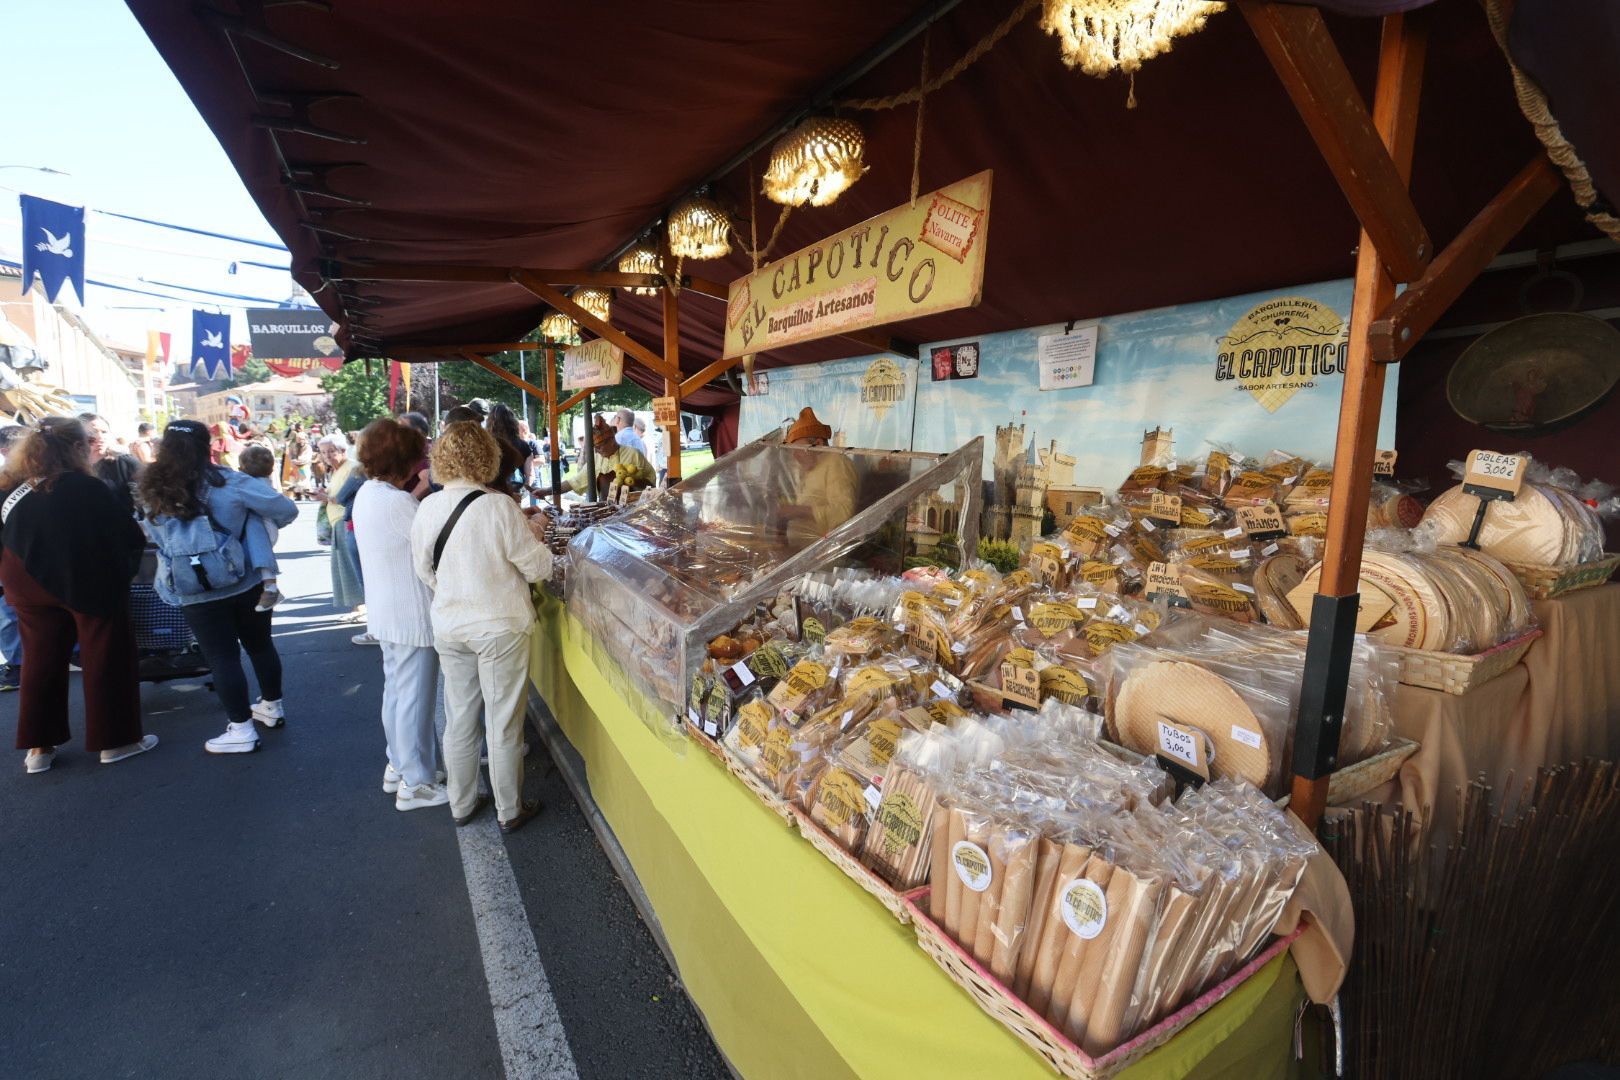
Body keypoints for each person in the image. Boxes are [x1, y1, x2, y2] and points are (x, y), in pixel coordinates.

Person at [410, 422, 551, 833]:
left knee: (459, 719)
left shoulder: (427, 508)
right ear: (487, 456)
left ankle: (462, 802)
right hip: (500, 625)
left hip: (451, 625)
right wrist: (539, 536)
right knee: (502, 722)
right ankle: (509, 809)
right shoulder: (498, 506)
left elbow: (424, 571)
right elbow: (537, 567)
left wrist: (456, 590)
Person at [2, 418, 151, 772]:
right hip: (87, 579)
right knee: (105, 655)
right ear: (76, 448)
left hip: (25, 580)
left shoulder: (9, 487)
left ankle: (39, 749)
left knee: (39, 660)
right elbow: (126, 535)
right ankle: (115, 741)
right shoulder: (86, 487)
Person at [140, 419, 298, 752]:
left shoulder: (151, 489)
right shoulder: (231, 482)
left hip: (191, 589)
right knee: (260, 645)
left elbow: (151, 534)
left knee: (222, 657)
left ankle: (241, 730)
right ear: (207, 447)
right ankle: (271, 706)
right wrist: (251, 521)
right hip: (243, 580)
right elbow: (286, 510)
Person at [353, 419, 446, 810]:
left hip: (389, 612)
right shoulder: (395, 502)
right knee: (414, 700)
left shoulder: (370, 493)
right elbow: (435, 545)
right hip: (410, 615)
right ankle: (416, 783)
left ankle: (401, 765)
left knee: (398, 694)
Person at [781, 407, 858, 545]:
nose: (795, 456)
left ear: (817, 444)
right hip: (799, 548)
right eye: (792, 451)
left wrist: (797, 511)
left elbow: (844, 512)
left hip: (825, 550)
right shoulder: (809, 466)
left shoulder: (836, 462)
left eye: (798, 450)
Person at [314, 434, 367, 629]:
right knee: (344, 567)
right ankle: (357, 607)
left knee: (351, 566)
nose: (327, 456)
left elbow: (343, 497)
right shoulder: (337, 470)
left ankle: (361, 608)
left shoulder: (352, 468)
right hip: (339, 521)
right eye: (323, 452)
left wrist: (326, 498)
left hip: (347, 521)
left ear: (343, 450)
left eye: (331, 451)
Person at [536, 417, 655, 501]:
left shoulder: (633, 454)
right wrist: (547, 491)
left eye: (599, 447)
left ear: (611, 440)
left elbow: (650, 485)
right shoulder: (596, 459)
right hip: (606, 511)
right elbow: (575, 481)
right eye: (595, 448)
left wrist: (632, 480)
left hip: (631, 511)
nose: (597, 451)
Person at [236, 444, 284, 611]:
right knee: (261, 556)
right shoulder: (264, 482)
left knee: (261, 556)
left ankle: (271, 588)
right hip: (270, 526)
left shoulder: (251, 485)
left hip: (262, 528)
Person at [0, 424, 28, 691]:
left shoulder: (46, 479)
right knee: (8, 614)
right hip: (9, 561)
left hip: (26, 559)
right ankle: (18, 664)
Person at [81, 412, 143, 519]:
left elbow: (145, 503)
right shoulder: (72, 467)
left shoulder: (125, 462)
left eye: (104, 432)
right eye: (92, 432)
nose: (100, 437)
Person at [485, 402, 531, 500]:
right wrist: (524, 492)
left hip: (490, 493)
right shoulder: (523, 445)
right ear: (513, 422)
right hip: (515, 492)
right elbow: (530, 474)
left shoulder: (485, 444)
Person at [642, 418, 669, 487]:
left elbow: (667, 456)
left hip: (665, 469)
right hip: (663, 469)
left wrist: (665, 475)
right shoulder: (664, 434)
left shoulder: (666, 435)